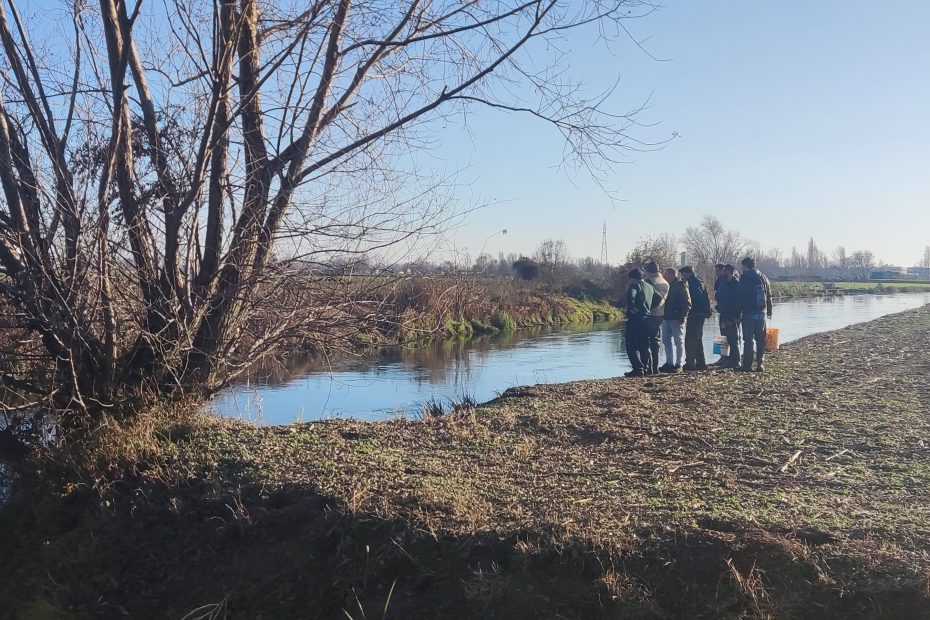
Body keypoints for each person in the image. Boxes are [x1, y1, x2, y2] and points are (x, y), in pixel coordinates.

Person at [737, 256, 773, 372]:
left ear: (746, 266)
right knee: (760, 340)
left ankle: (747, 365)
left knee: (748, 340)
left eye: (742, 266)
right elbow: (769, 295)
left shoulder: (744, 279)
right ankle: (760, 364)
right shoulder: (763, 277)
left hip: (748, 314)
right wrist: (769, 311)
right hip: (761, 313)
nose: (741, 269)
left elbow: (740, 297)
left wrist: (737, 314)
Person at [623, 268, 655, 377]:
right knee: (645, 345)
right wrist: (649, 308)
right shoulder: (649, 286)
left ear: (632, 278)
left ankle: (638, 368)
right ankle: (647, 368)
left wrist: (634, 309)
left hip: (636, 320)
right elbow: (659, 298)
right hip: (648, 318)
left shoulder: (634, 286)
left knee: (631, 345)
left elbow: (631, 298)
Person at [679, 265, 712, 371]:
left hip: (695, 313)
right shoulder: (700, 281)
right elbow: (705, 297)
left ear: (687, 273)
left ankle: (690, 363)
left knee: (690, 338)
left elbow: (696, 298)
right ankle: (701, 363)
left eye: (682, 273)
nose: (682, 275)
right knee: (697, 338)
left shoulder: (692, 283)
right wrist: (707, 311)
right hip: (701, 314)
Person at [659, 267, 691, 372]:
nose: (664, 277)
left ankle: (678, 364)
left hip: (677, 318)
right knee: (666, 340)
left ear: (672, 275)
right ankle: (669, 363)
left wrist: (683, 316)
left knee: (679, 341)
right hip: (667, 317)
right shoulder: (668, 286)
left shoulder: (681, 286)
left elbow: (687, 303)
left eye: (666, 275)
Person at [713, 264, 742, 367]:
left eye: (719, 271)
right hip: (723, 314)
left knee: (733, 338)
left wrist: (734, 317)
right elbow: (720, 297)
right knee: (722, 336)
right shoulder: (723, 282)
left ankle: (735, 361)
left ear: (727, 271)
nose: (717, 273)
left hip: (731, 316)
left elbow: (735, 303)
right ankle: (723, 358)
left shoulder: (735, 283)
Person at [644, 262, 669, 376]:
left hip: (650, 314)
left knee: (647, 341)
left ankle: (648, 368)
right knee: (656, 340)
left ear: (649, 271)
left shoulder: (650, 282)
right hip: (661, 314)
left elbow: (646, 298)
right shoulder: (665, 282)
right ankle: (656, 368)